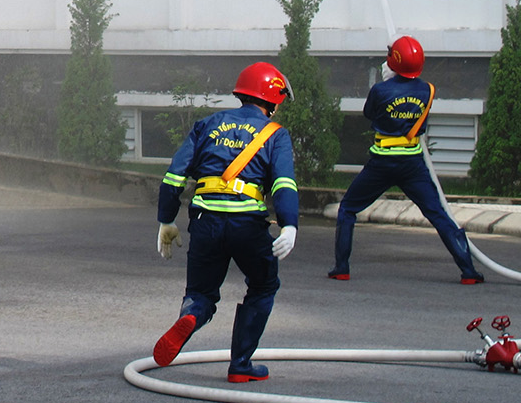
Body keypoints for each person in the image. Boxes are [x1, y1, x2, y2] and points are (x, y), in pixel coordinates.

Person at [152, 62, 298, 383]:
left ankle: (192, 315)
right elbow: (283, 183)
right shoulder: (275, 134)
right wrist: (289, 224)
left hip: (205, 221)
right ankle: (241, 364)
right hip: (248, 225)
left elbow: (174, 176)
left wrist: (166, 220)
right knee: (263, 285)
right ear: (273, 99)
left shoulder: (206, 125)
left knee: (201, 292)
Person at [328, 35, 483, 284]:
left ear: (393, 62)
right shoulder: (428, 90)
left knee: (348, 208)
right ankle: (468, 271)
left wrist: (385, 86)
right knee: (438, 213)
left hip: (382, 162)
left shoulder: (380, 90)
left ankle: (342, 267)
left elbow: (369, 113)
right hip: (412, 163)